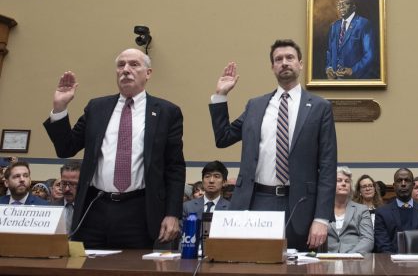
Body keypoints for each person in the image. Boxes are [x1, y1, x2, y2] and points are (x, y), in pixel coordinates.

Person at [43, 48, 185, 249]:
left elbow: (175, 167)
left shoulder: (166, 112)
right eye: (121, 65)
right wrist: (59, 109)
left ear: (148, 73)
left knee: (132, 269)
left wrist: (172, 214)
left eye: (134, 64)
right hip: (95, 207)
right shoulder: (97, 107)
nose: (126, 69)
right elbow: (66, 148)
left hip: (139, 209)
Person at [209, 39, 337, 251]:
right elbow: (223, 138)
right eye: (278, 59)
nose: (284, 62)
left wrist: (322, 218)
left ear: (300, 64)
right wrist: (221, 95)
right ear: (272, 67)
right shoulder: (256, 106)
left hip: (300, 205)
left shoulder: (319, 107)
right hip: (256, 201)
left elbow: (328, 165)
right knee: (253, 265)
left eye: (290, 58)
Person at [373, 168, 418, 253]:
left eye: (407, 180)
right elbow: (383, 246)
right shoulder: (382, 213)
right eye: (399, 181)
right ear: (394, 186)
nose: (403, 184)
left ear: (413, 185)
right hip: (390, 262)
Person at [325, 0, 377, 79]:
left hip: (357, 79)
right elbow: (329, 51)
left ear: (353, 7)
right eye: (339, 4)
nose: (341, 6)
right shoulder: (334, 26)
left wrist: (353, 70)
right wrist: (329, 67)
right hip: (335, 79)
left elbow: (369, 55)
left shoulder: (364, 24)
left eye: (345, 3)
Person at [327, 167, 374, 253]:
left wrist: (350, 256)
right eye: (339, 180)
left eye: (347, 181)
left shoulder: (361, 210)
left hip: (354, 261)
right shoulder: (322, 209)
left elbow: (368, 239)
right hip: (326, 261)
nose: (344, 184)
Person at [51, 161, 81, 233]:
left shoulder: (89, 208)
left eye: (73, 184)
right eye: (64, 183)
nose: (67, 188)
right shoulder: (51, 207)